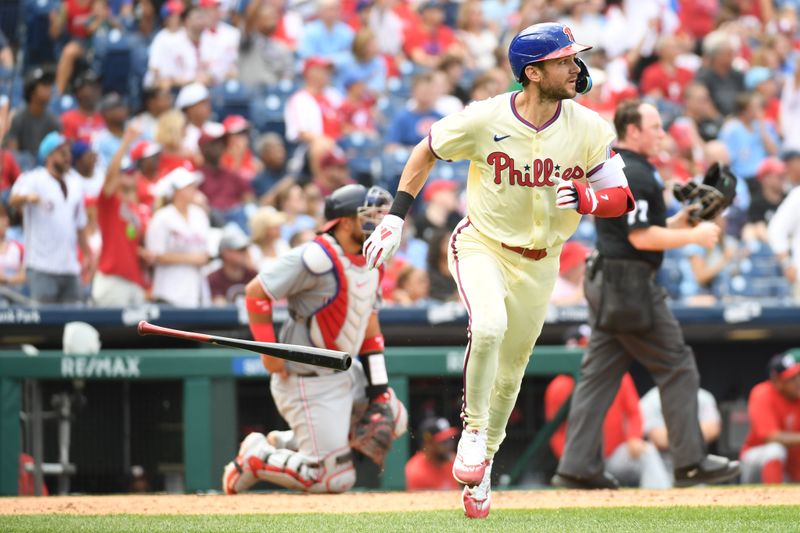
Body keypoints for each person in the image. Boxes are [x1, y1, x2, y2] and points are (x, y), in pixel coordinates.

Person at [362, 23, 635, 519]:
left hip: (542, 261)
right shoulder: (485, 117)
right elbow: (426, 149)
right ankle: (471, 431)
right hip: (483, 244)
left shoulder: (589, 126)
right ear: (533, 73)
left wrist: (592, 199)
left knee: (511, 374)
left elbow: (623, 197)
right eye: (564, 60)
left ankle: (484, 461)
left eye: (575, 59)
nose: (575, 67)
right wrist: (395, 218)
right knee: (488, 326)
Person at [552, 100, 740, 491]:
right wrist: (694, 235)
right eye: (654, 127)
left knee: (597, 376)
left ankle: (576, 466)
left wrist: (686, 219)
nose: (661, 134)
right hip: (629, 286)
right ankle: (690, 462)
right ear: (633, 131)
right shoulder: (635, 172)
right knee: (678, 365)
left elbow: (644, 228)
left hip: (609, 280)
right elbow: (640, 238)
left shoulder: (619, 167)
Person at [222, 184, 407, 495]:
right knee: (334, 479)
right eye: (367, 216)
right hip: (308, 381)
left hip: (346, 374)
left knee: (395, 417)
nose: (376, 222)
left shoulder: (372, 257)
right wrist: (269, 352)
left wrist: (379, 390)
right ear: (346, 222)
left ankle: (286, 441)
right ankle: (257, 457)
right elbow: (256, 293)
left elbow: (371, 330)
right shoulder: (315, 256)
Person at [546, 373, 671, 489]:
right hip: (583, 460)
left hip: (614, 456)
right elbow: (555, 432)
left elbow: (634, 413)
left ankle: (660, 504)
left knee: (647, 452)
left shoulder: (619, 376)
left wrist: (634, 437)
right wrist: (568, 460)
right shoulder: (561, 385)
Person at [9, 132, 92, 304]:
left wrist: (86, 253)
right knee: (44, 321)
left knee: (73, 322)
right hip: (42, 266)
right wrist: (27, 198)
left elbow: (80, 224)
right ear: (48, 155)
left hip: (70, 266)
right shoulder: (34, 178)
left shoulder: (75, 181)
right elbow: (13, 198)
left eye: (68, 153)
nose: (67, 157)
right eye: (62, 153)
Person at [93, 124, 152, 306]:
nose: (128, 175)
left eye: (131, 171)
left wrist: (143, 254)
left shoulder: (137, 209)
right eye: (124, 172)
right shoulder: (109, 202)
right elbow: (110, 176)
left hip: (134, 280)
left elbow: (132, 239)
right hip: (113, 279)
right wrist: (126, 142)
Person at [145, 166, 210, 306]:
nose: (194, 190)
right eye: (188, 186)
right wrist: (191, 258)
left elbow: (206, 252)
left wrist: (202, 258)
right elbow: (155, 255)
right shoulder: (162, 217)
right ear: (176, 191)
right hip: (169, 291)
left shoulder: (199, 214)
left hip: (196, 290)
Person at [739, 352, 800, 484]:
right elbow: (770, 437)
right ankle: (773, 497)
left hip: (790, 466)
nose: (797, 382)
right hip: (757, 459)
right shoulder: (762, 393)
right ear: (777, 381)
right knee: (775, 449)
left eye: (798, 376)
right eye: (791, 379)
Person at [640, 386, 722, 477]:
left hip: (694, 465)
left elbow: (713, 430)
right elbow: (660, 439)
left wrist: (676, 436)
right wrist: (693, 435)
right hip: (661, 467)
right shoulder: (651, 399)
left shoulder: (703, 397)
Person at [6, 68, 60, 154]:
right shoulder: (18, 118)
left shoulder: (53, 121)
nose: (49, 89)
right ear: (32, 91)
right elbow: (13, 153)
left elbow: (56, 153)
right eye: (44, 85)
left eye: (50, 85)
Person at [405, 416, 460, 491]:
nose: (450, 445)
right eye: (444, 442)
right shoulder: (417, 471)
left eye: (451, 439)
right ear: (428, 444)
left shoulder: (455, 462)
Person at [207, 223, 256, 305]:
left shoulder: (254, 276)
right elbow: (220, 311)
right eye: (241, 250)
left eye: (246, 249)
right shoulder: (213, 279)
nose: (246, 253)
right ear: (225, 253)